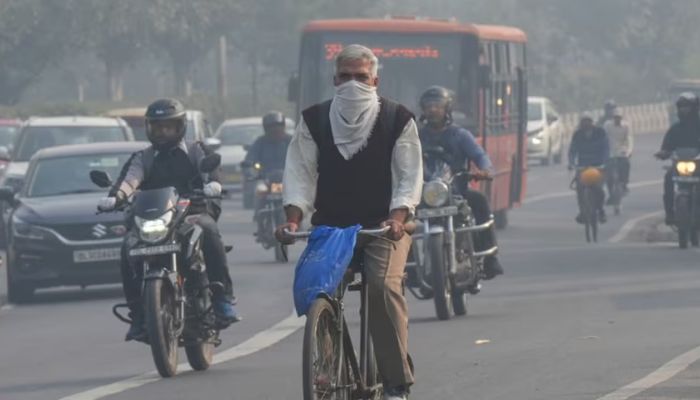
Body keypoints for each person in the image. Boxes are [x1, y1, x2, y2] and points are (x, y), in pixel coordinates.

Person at [275, 44, 422, 400]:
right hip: (332, 229)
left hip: (383, 229)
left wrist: (398, 217)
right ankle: (326, 367)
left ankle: (395, 383)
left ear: (375, 80)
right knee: (317, 290)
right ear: (334, 80)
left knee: (383, 289)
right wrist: (293, 220)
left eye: (361, 77)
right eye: (346, 77)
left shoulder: (397, 119)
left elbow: (409, 176)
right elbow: (299, 175)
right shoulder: (313, 120)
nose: (353, 84)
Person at [98, 98, 240, 342]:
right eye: (157, 127)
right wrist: (116, 197)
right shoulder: (143, 157)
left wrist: (213, 184)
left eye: (168, 127)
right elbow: (130, 180)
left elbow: (210, 170)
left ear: (180, 127)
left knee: (209, 231)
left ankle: (222, 299)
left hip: (190, 212)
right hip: (153, 217)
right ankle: (139, 314)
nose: (163, 132)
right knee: (127, 248)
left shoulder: (196, 150)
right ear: (149, 128)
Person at [417, 85, 504, 280]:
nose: (433, 109)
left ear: (446, 109)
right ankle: (409, 267)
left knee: (480, 202)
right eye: (428, 106)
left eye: (437, 105)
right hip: (424, 194)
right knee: (399, 218)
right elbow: (401, 159)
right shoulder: (415, 136)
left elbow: (480, 155)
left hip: (457, 192)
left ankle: (490, 258)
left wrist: (485, 170)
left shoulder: (460, 135)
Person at [655, 92, 700, 224]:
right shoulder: (675, 129)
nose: (683, 109)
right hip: (680, 167)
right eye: (681, 106)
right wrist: (663, 153)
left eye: (686, 106)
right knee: (668, 178)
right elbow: (666, 146)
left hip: (698, 166)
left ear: (694, 107)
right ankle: (669, 213)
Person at [568, 113, 610, 223]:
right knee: (580, 189)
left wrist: (605, 162)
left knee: (599, 190)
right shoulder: (577, 134)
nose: (586, 123)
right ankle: (582, 212)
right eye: (584, 121)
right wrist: (571, 163)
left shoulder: (600, 133)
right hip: (583, 166)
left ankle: (601, 211)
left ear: (592, 122)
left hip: (598, 166)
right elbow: (572, 150)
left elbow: (606, 148)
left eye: (588, 121)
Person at [603, 110, 633, 198]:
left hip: (622, 151)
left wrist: (629, 151)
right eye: (616, 118)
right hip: (610, 152)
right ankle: (610, 192)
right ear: (613, 118)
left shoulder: (626, 126)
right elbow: (604, 138)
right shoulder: (607, 125)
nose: (617, 119)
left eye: (619, 118)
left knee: (626, 164)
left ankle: (624, 183)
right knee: (608, 173)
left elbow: (629, 139)